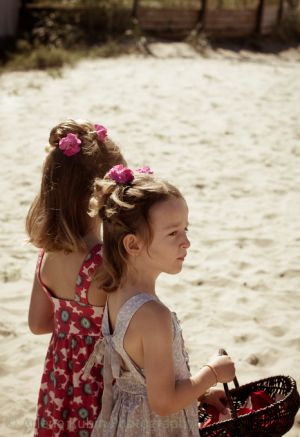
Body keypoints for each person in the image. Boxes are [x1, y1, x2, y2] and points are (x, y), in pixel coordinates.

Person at [85, 164, 236, 436]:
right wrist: (212, 373)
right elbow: (163, 402)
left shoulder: (116, 291)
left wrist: (200, 393)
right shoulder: (152, 315)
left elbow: (144, 380)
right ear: (133, 245)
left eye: (186, 229)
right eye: (173, 233)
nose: (186, 242)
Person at [26, 119, 126, 437]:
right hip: (100, 386)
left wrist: (73, 328)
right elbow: (131, 336)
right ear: (100, 197)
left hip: (59, 384)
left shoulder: (47, 254)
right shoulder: (105, 263)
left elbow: (39, 324)